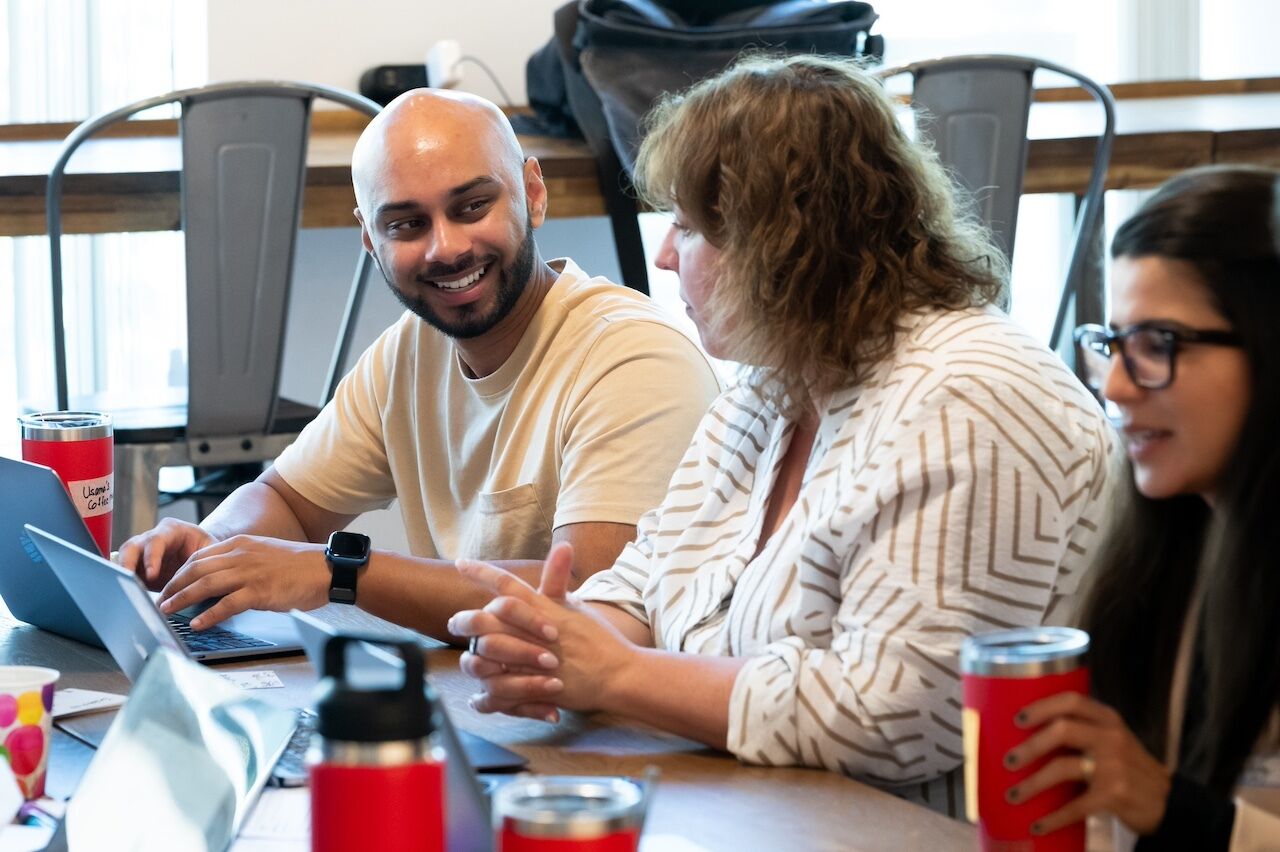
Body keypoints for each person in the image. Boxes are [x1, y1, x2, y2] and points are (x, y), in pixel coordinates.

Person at [448, 54, 1120, 815]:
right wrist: (553, 645)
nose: (666, 257)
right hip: (763, 808)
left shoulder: (970, 398)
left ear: (787, 247)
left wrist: (616, 676)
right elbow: (645, 583)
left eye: (689, 229)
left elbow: (892, 718)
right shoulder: (777, 381)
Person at [115, 89, 721, 641]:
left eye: (471, 206)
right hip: (483, 696)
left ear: (533, 193)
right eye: (406, 223)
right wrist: (214, 548)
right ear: (369, 239)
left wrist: (340, 573)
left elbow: (593, 602)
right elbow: (290, 502)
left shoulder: (634, 359)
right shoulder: (409, 351)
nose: (446, 248)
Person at [1001, 165, 1280, 849]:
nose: (1116, 387)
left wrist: (1171, 809)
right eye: (1112, 344)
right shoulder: (1172, 546)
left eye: (1159, 345)